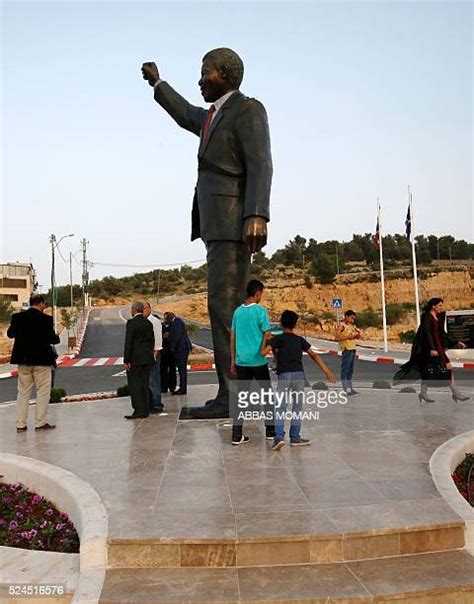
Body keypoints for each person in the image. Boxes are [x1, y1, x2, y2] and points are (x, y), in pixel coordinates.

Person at [141, 47, 272, 419]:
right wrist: (158, 83)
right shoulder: (213, 116)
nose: (199, 80)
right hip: (218, 222)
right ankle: (236, 393)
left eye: (205, 72)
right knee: (224, 308)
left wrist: (256, 213)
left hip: (234, 221)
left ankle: (234, 395)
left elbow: (261, 162)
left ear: (226, 74)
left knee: (225, 307)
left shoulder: (247, 110)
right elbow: (185, 114)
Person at [261, 310, 336, 451]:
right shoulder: (300, 340)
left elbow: (263, 353)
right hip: (299, 375)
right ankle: (295, 437)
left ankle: (278, 437)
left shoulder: (278, 339)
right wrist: (327, 371)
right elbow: (314, 355)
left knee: (281, 407)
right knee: (297, 407)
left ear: (282, 323)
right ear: (295, 324)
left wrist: (265, 339)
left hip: (284, 375)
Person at [394, 298, 469, 403]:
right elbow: (427, 334)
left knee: (431, 370)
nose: (441, 307)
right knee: (442, 368)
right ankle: (455, 393)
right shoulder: (427, 318)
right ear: (433, 306)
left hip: (438, 348)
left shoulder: (437, 317)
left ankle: (424, 393)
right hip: (430, 349)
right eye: (439, 305)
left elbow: (442, 334)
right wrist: (432, 349)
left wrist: (456, 342)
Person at [230, 279, 274, 445]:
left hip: (241, 362)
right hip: (258, 362)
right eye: (261, 294)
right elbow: (267, 334)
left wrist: (233, 360)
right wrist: (265, 349)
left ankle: (237, 434)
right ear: (257, 294)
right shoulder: (260, 311)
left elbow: (232, 337)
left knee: (241, 398)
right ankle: (270, 431)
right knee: (267, 397)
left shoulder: (237, 312)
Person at [7, 293, 60, 432]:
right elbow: (53, 340)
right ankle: (40, 423)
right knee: (43, 391)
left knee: (23, 393)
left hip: (23, 361)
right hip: (42, 361)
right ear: (41, 304)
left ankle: (20, 424)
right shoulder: (46, 319)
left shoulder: (17, 317)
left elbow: (10, 334)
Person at [123, 301, 155, 419]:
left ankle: (138, 411)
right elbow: (152, 341)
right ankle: (145, 410)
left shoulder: (131, 323)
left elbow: (129, 342)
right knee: (144, 385)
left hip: (135, 359)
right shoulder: (148, 323)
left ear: (134, 309)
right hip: (146, 358)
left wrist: (126, 360)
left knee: (135, 386)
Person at [335, 310, 361, 396]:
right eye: (351, 318)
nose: (352, 320)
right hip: (346, 350)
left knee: (350, 371)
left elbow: (358, 336)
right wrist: (348, 337)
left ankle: (350, 388)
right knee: (345, 370)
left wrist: (357, 335)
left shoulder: (352, 326)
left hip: (353, 349)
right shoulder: (342, 326)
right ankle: (346, 389)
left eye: (354, 319)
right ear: (346, 316)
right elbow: (337, 338)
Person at [143, 301, 163, 413]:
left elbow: (158, 339)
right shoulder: (145, 322)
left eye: (145, 308)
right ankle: (151, 402)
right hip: (147, 355)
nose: (143, 311)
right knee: (149, 380)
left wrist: (154, 355)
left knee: (154, 380)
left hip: (154, 354)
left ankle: (157, 404)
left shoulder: (154, 321)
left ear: (150, 309)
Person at [167, 313, 192, 395]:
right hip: (182, 348)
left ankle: (183, 388)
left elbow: (176, 336)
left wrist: (172, 348)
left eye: (167, 319)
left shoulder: (177, 322)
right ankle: (182, 387)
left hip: (181, 349)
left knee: (182, 369)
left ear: (170, 318)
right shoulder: (177, 322)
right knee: (182, 369)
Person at [160, 312, 177, 394]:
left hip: (171, 352)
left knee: (172, 370)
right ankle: (163, 387)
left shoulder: (173, 326)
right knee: (163, 370)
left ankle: (172, 387)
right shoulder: (161, 326)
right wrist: (163, 337)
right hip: (163, 351)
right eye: (165, 318)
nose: (166, 320)